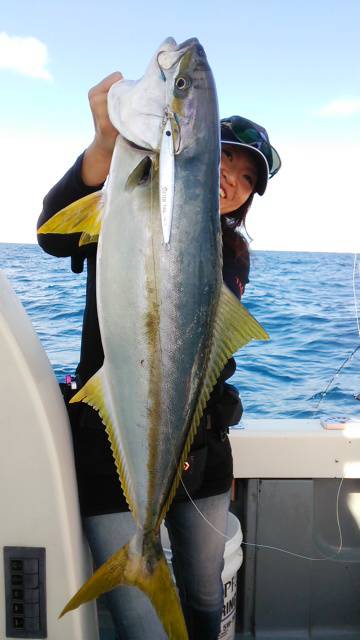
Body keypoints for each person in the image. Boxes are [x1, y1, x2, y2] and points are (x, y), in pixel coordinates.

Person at [37, 72, 281, 640]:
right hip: (111, 435)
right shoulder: (124, 205)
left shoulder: (232, 252)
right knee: (137, 621)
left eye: (249, 180)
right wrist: (103, 146)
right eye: (227, 159)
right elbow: (52, 234)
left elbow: (212, 360)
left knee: (203, 594)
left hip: (203, 451)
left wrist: (211, 438)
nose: (232, 180)